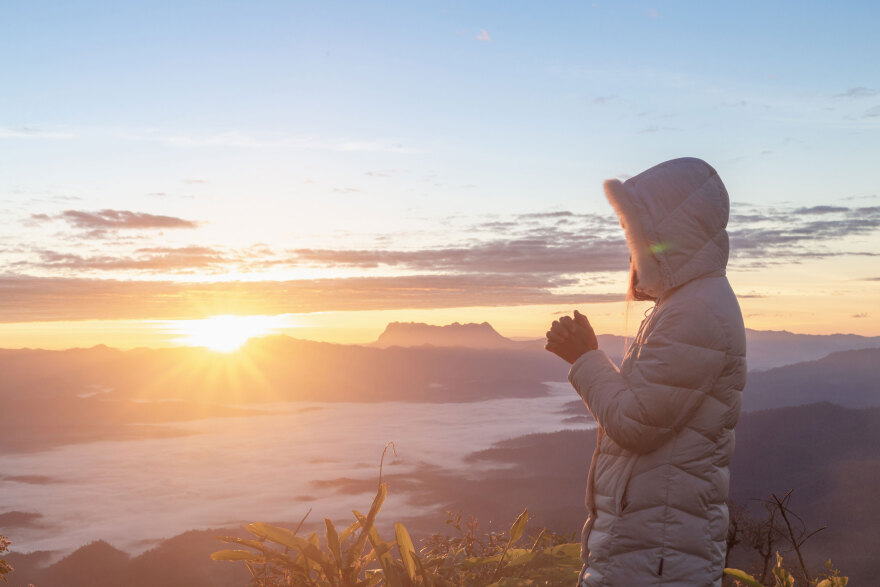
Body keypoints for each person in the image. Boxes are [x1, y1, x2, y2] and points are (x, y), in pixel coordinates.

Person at [545, 157, 747, 586]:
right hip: (655, 549)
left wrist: (584, 357)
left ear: (664, 235)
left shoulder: (697, 312)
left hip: (658, 559)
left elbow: (638, 423)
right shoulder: (686, 304)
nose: (630, 247)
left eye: (633, 234)